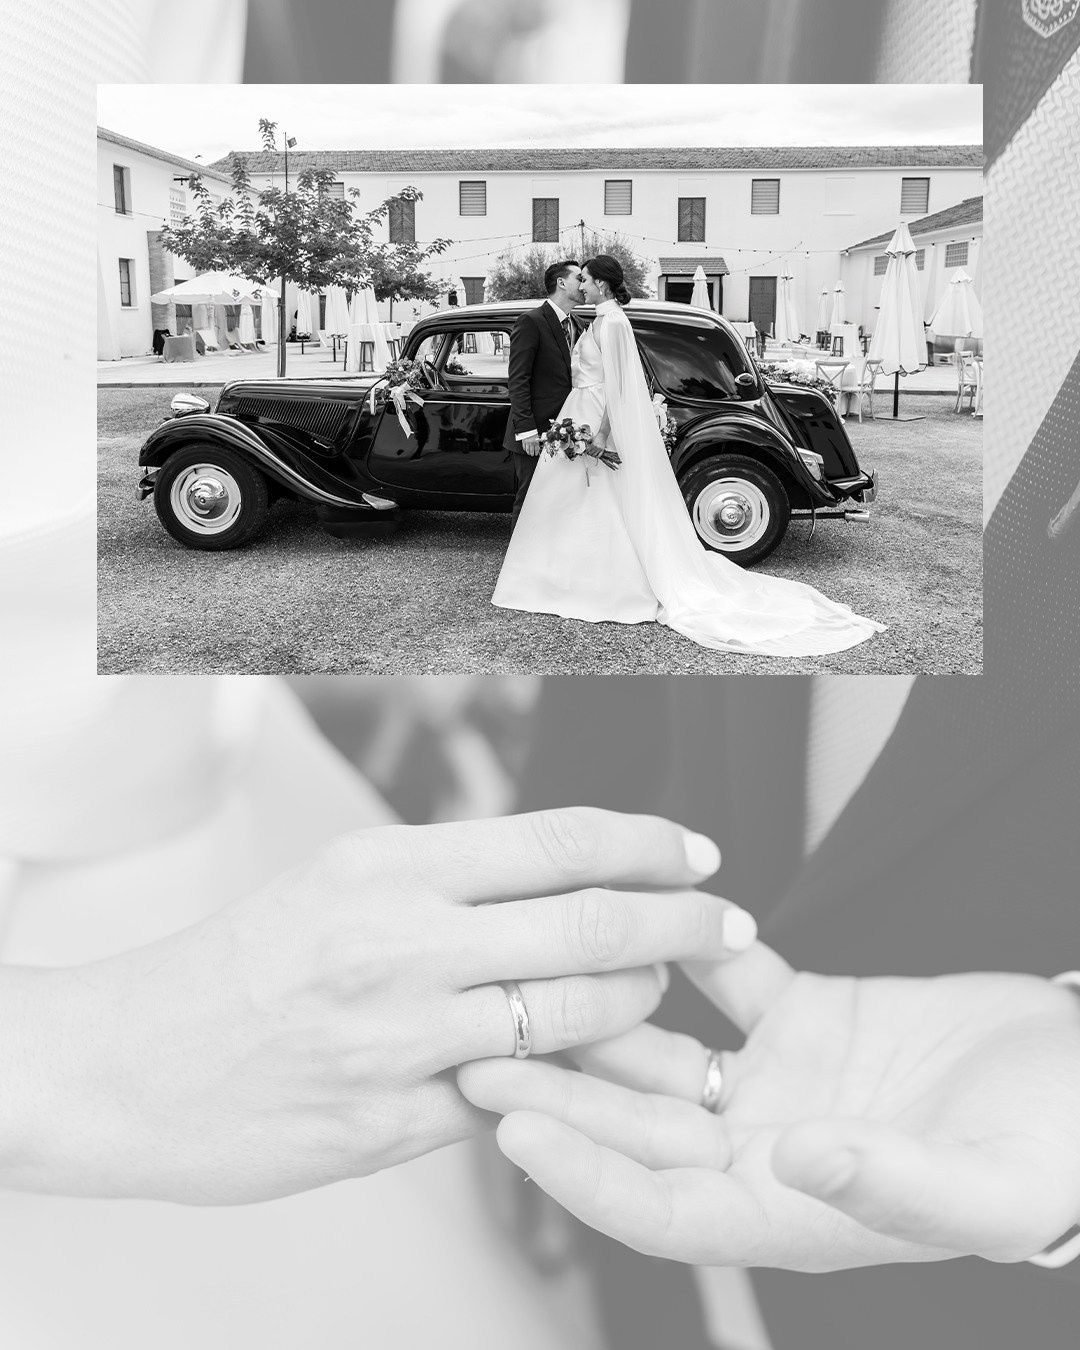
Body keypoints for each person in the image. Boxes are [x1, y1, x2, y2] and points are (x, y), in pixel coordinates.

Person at [493, 255, 884, 656]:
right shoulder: (592, 319)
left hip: (591, 421)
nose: (583, 285)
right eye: (579, 279)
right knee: (580, 502)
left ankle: (592, 580)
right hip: (576, 415)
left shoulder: (610, 323)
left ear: (603, 285)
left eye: (588, 279)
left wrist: (601, 435)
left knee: (597, 502)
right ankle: (562, 573)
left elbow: (618, 385)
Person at [503, 259, 583, 530]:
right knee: (529, 501)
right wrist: (526, 430)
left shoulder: (579, 324)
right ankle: (519, 566)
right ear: (561, 283)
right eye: (579, 279)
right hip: (534, 433)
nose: (584, 285)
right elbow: (518, 378)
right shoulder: (532, 321)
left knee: (560, 502)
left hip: (567, 432)